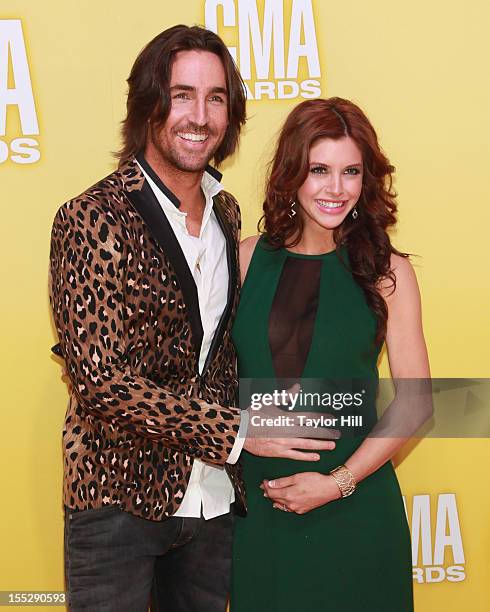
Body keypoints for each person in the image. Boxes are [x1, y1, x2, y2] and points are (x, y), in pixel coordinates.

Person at [49, 25, 334, 612]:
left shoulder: (228, 213)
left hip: (212, 505)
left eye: (216, 98)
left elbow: (225, 349)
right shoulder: (91, 217)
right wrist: (239, 433)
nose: (198, 116)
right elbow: (101, 380)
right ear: (148, 102)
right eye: (181, 95)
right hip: (117, 503)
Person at [231, 97, 431, 611]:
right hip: (261, 506)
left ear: (368, 180)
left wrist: (336, 483)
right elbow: (200, 379)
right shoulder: (246, 259)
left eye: (351, 172)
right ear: (292, 172)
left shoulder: (388, 272)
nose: (335, 188)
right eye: (319, 170)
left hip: (356, 503)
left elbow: (416, 403)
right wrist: (241, 427)